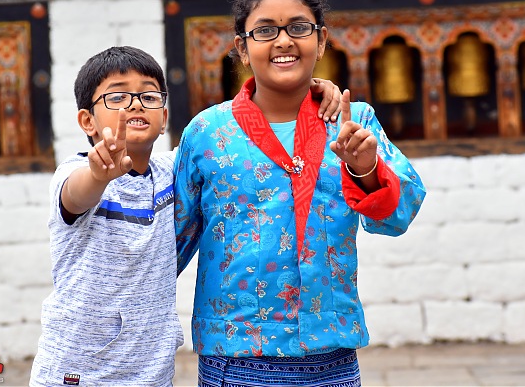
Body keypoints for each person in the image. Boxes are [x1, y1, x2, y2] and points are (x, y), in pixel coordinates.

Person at [29, 45, 343, 387]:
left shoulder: (171, 171)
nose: (135, 104)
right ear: (87, 120)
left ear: (164, 118)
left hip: (152, 372)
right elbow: (75, 196)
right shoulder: (76, 172)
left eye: (149, 95)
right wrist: (99, 176)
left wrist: (305, 91)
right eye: (118, 96)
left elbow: (228, 141)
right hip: (78, 371)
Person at [174, 0, 427, 387]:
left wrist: (364, 169)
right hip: (236, 358)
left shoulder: (353, 122)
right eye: (265, 31)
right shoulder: (206, 132)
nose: (283, 41)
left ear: (321, 40)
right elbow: (170, 242)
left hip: (333, 357)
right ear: (242, 47)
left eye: (298, 27)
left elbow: (398, 216)